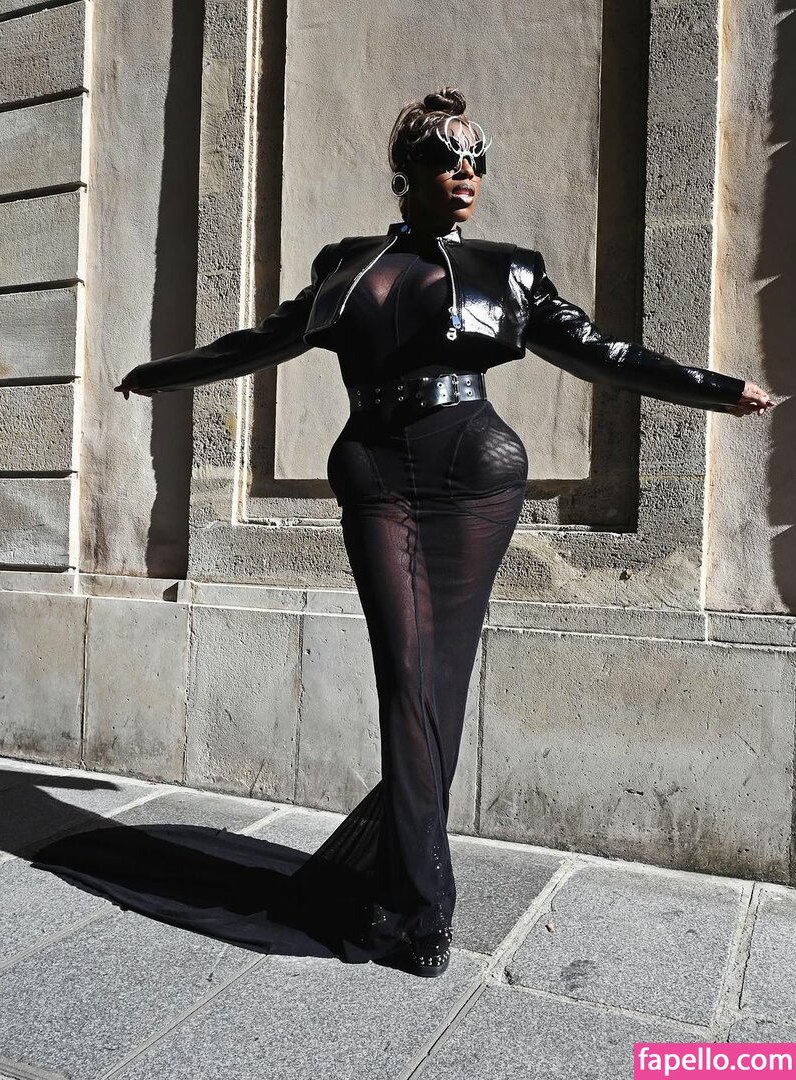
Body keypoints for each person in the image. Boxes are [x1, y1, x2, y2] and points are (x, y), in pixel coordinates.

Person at [80, 86, 771, 980]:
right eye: (448, 162)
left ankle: (415, 900)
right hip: (374, 472)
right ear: (404, 173)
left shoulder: (510, 269)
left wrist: (713, 389)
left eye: (477, 163)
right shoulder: (345, 265)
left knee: (436, 681)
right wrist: (163, 373)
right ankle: (415, 891)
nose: (466, 177)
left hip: (472, 469)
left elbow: (602, 353)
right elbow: (261, 341)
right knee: (406, 680)